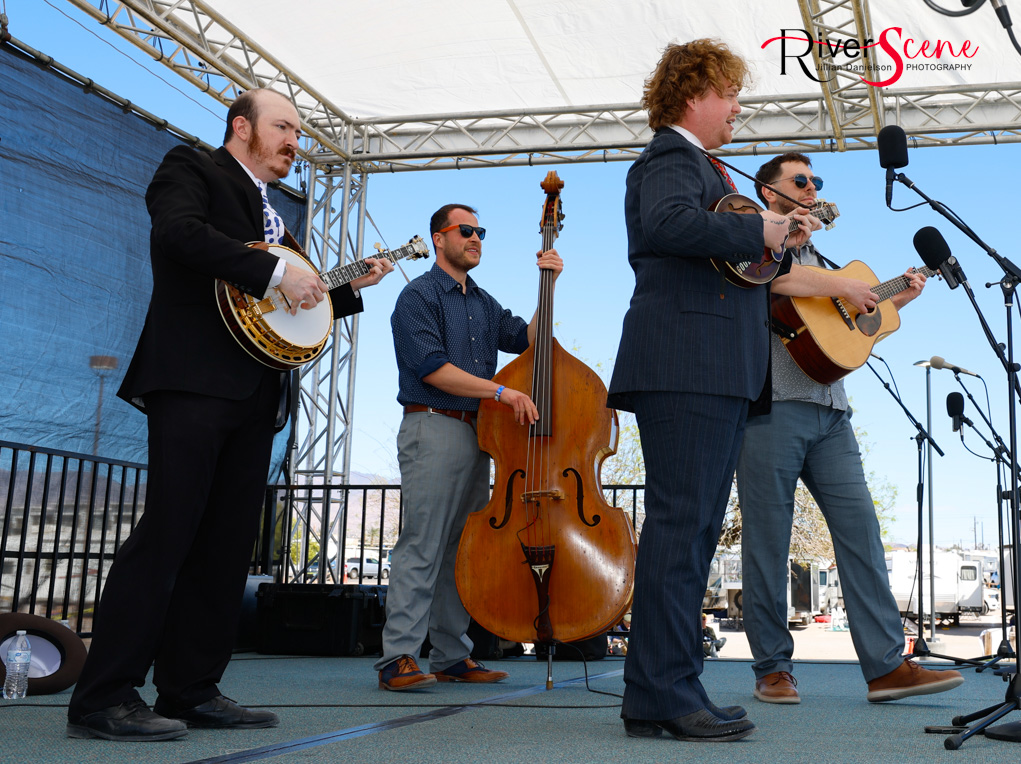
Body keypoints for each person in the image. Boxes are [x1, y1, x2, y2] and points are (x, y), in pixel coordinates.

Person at [66, 88, 393, 741]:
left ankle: (191, 688)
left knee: (223, 549)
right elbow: (180, 235)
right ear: (241, 127)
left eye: (298, 132)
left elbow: (287, 302)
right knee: (168, 536)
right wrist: (275, 274)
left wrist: (343, 291)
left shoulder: (273, 217)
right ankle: (103, 696)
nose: (294, 142)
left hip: (253, 393)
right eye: (283, 128)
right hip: (192, 381)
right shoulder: (191, 169)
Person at [606, 39, 819, 743]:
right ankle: (665, 694)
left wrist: (775, 241)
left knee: (691, 532)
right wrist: (758, 224)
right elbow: (666, 226)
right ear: (694, 94)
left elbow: (726, 264)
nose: (736, 109)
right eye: (729, 94)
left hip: (711, 370)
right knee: (681, 529)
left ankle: (660, 693)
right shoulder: (671, 158)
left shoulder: (702, 166)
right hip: (686, 367)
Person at [737, 151, 964, 705]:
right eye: (799, 180)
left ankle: (885, 667)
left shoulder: (820, 255)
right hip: (772, 406)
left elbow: (846, 337)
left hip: (832, 408)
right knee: (769, 539)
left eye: (816, 180)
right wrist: (822, 269)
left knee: (861, 531)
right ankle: (771, 668)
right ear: (769, 192)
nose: (812, 187)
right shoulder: (752, 241)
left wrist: (893, 300)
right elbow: (770, 285)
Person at [376, 203, 563, 690]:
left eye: (481, 231)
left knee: (461, 549)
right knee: (423, 543)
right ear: (439, 238)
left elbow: (530, 341)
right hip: (433, 425)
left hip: (476, 433)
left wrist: (550, 285)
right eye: (467, 230)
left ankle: (451, 655)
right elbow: (432, 369)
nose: (477, 237)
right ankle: (397, 657)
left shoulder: (481, 300)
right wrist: (501, 392)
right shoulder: (417, 295)